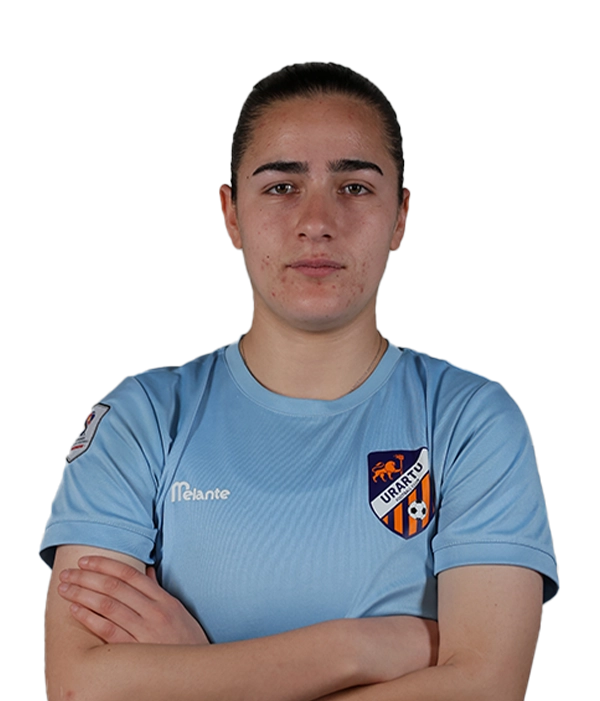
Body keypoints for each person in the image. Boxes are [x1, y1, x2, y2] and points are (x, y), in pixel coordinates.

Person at [40, 62, 560, 701]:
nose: (317, 221)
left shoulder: (470, 421)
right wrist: (358, 647)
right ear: (231, 213)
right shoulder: (140, 421)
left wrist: (196, 675)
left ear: (400, 215)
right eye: (282, 186)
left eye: (355, 187)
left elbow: (483, 690)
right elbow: (78, 688)